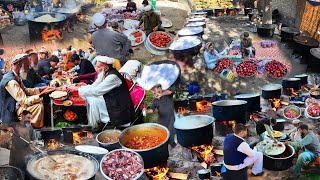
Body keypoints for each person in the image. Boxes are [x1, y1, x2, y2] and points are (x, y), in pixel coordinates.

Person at [68, 56, 135, 128]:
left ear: (106, 68)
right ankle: (93, 122)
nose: (96, 69)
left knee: (93, 99)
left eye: (98, 67)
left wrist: (78, 89)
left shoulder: (112, 76)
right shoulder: (104, 73)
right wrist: (79, 88)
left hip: (119, 106)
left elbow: (97, 91)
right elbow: (94, 86)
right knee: (89, 97)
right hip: (112, 99)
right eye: (96, 66)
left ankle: (95, 124)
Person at [0, 54, 54, 128]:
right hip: (11, 111)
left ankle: (38, 124)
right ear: (19, 65)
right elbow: (24, 101)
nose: (28, 69)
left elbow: (25, 90)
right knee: (39, 106)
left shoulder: (16, 76)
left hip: (17, 104)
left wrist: (40, 89)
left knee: (40, 101)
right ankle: (36, 128)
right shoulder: (11, 82)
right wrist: (41, 94)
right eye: (27, 66)